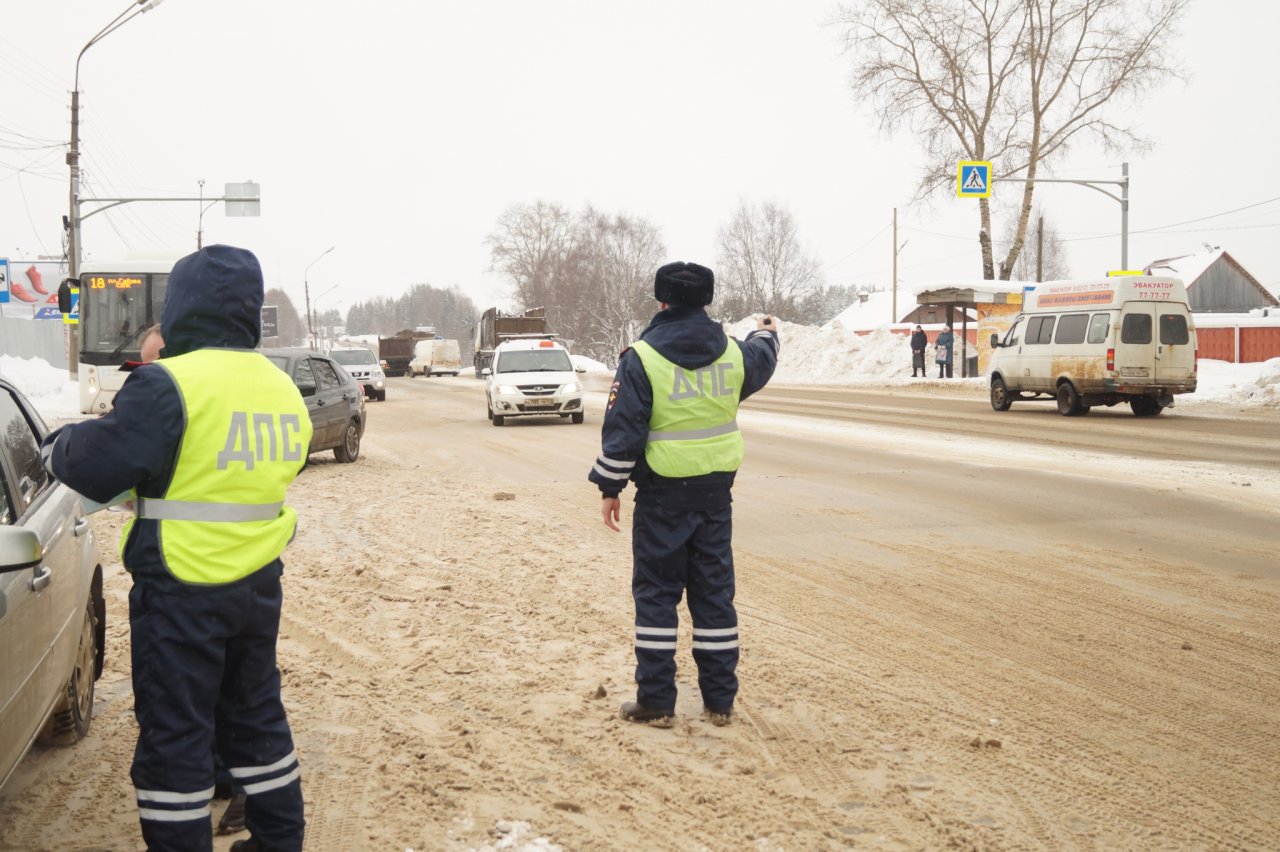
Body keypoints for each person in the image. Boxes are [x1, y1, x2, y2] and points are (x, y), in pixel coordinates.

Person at [39, 245, 310, 852]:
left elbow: (102, 464)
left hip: (181, 591)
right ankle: (278, 840)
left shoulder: (168, 384)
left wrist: (55, 446)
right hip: (257, 586)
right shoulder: (279, 387)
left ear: (182, 306)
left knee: (176, 739)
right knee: (257, 717)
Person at [589, 261, 779, 728]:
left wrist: (610, 487)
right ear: (706, 301)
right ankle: (720, 700)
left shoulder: (642, 357)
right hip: (715, 500)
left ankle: (656, 702)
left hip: (661, 501)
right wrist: (768, 333)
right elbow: (762, 358)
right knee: (714, 596)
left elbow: (623, 433)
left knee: (656, 597)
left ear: (662, 301)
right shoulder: (732, 355)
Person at [129, 322, 250, 837]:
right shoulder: (158, 403)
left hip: (201, 575)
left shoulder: (195, 405)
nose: (152, 370)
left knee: (213, 695)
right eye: (144, 364)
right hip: (193, 567)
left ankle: (236, 788)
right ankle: (224, 778)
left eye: (160, 358)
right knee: (213, 693)